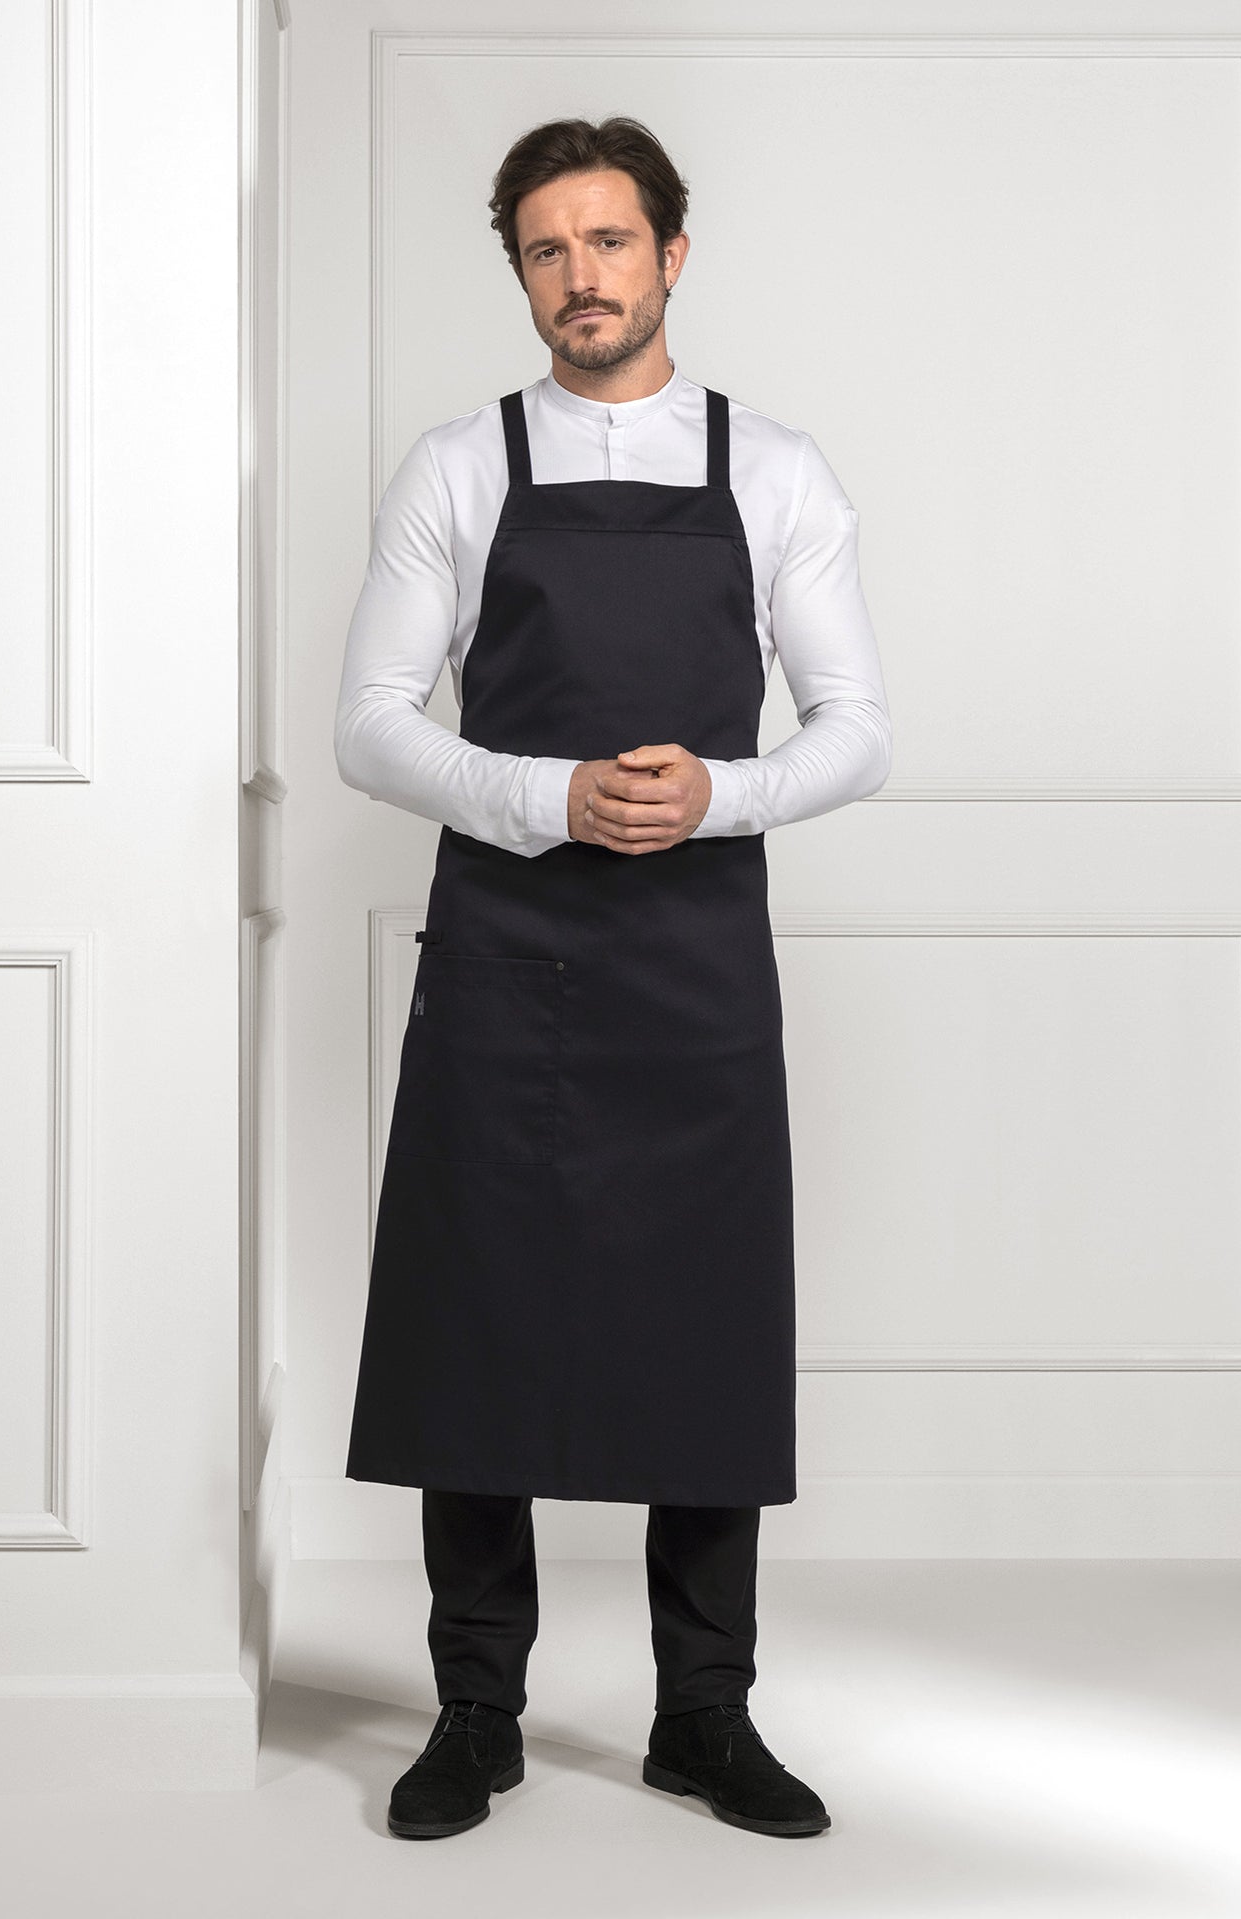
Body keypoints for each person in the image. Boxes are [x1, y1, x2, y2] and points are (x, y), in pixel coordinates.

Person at [334, 114, 891, 1841]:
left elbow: (858, 728)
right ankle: (475, 1711)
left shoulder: (777, 469)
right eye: (547, 249)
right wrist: (539, 796)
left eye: (610, 241)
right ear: (520, 272)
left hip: (695, 966)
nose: (582, 276)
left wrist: (716, 795)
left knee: (706, 1333)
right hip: (505, 956)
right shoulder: (458, 466)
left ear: (672, 255)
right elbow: (368, 727)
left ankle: (704, 1716)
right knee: (474, 1322)